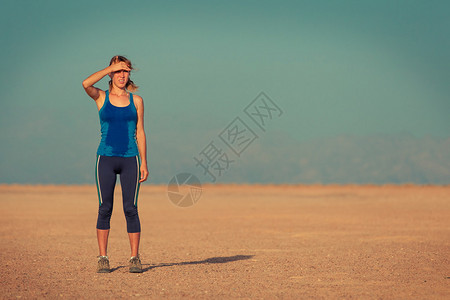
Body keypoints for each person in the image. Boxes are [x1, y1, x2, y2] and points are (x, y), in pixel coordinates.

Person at [82, 55, 149, 273]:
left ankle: (134, 258)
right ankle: (103, 257)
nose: (122, 75)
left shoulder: (136, 100)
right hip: (106, 158)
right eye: (118, 71)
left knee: (131, 209)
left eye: (125, 71)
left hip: (131, 158)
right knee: (105, 208)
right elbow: (86, 83)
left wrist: (144, 162)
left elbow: (140, 131)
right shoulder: (101, 97)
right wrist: (109, 67)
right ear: (111, 73)